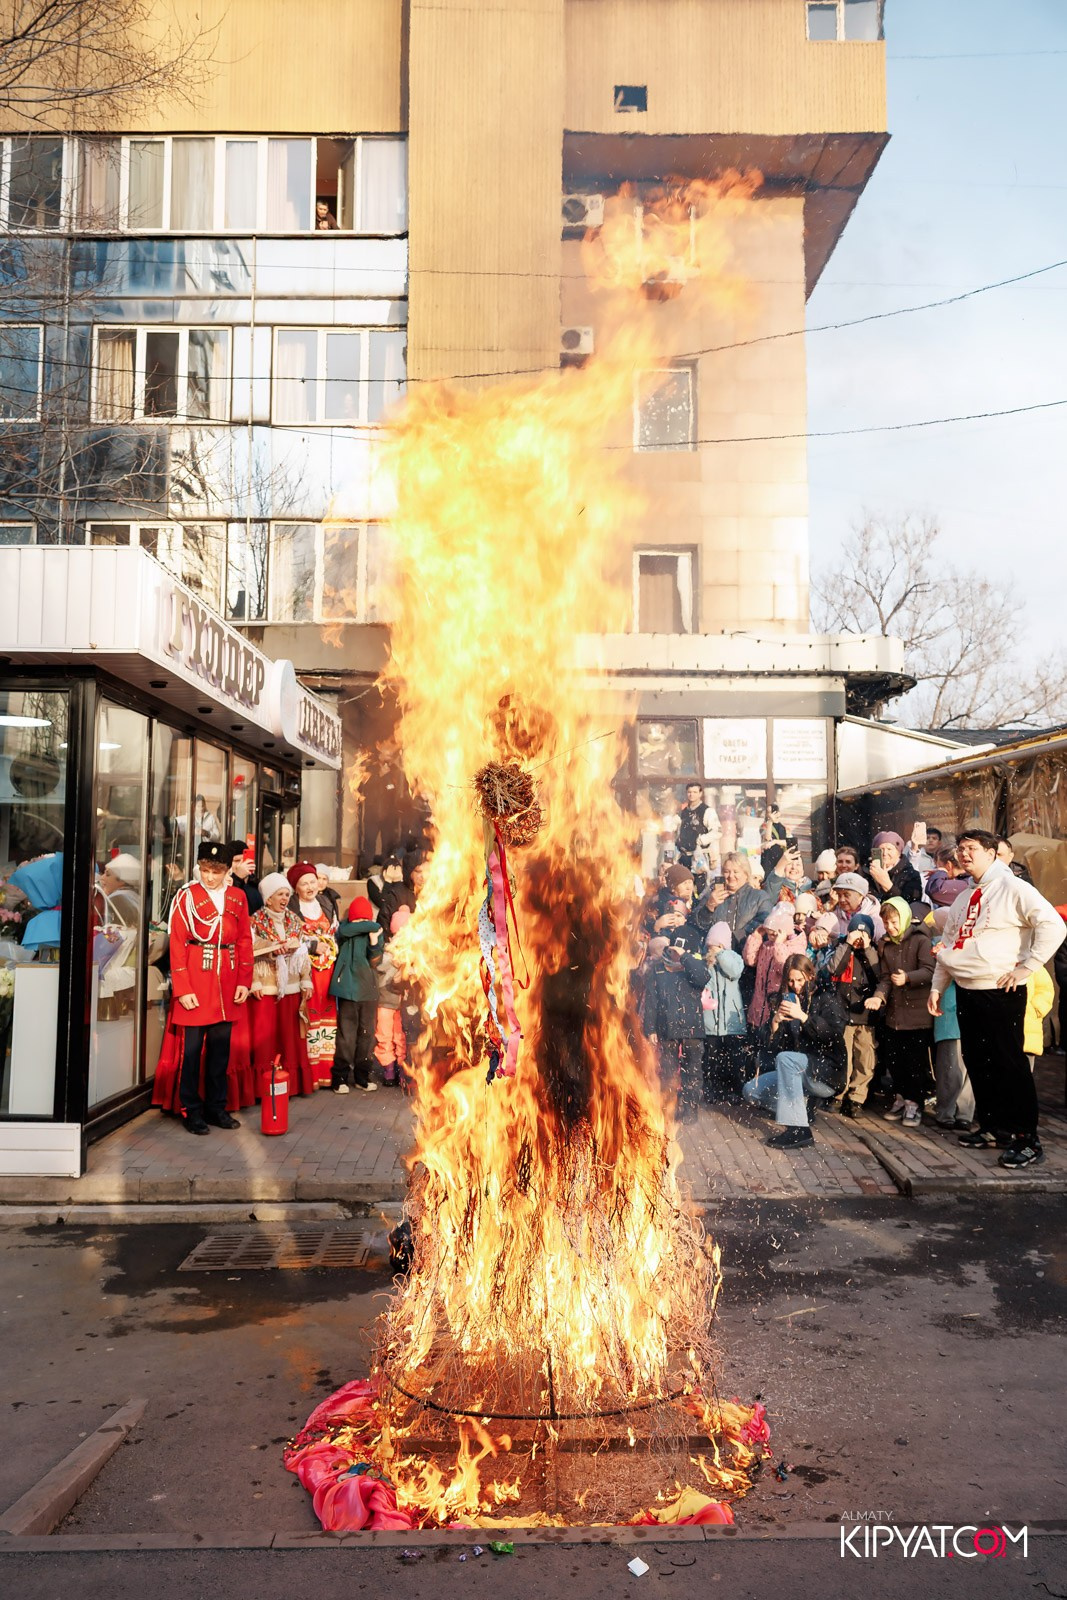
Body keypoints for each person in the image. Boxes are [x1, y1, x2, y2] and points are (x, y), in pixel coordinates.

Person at [929, 829, 1066, 1169]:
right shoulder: (963, 897)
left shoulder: (1014, 887)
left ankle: (1026, 1138)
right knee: (979, 1063)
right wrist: (936, 987)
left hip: (1002, 990)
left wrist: (1028, 967)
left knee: (1010, 1066)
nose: (964, 854)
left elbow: (1053, 925)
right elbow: (947, 947)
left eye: (972, 848)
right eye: (960, 849)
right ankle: (993, 1128)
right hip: (967, 989)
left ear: (991, 853)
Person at [166, 841, 253, 1135]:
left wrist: (244, 980)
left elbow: (244, 941)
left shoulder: (238, 897)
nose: (210, 877)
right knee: (191, 1053)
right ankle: (191, 1110)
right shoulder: (186, 897)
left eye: (216, 871)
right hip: (196, 976)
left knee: (220, 1051)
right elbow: (177, 943)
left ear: (227, 870)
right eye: (205, 870)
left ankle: (217, 1108)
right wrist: (183, 988)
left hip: (227, 978)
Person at [743, 952, 848, 1149]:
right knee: (751, 1091)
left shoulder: (827, 998)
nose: (795, 985)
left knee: (786, 1059)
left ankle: (798, 1130)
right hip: (797, 1073)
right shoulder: (788, 1000)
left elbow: (834, 1036)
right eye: (790, 980)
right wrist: (775, 1023)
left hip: (824, 1074)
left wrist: (803, 1017)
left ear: (810, 975)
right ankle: (801, 1108)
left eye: (799, 979)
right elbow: (771, 1046)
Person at [865, 897, 935, 1129]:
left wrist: (908, 978)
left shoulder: (921, 941)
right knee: (896, 1061)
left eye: (894, 922)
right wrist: (879, 996)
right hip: (895, 1014)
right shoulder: (887, 945)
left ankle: (915, 1103)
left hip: (917, 1014)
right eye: (886, 924)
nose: (891, 928)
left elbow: (930, 971)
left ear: (904, 918)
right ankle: (901, 1098)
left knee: (915, 1062)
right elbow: (886, 978)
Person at [248, 872, 315, 1098]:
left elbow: (304, 953)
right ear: (268, 898)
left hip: (291, 987)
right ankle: (264, 1088)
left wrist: (306, 980)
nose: (285, 898)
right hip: (266, 987)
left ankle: (291, 1086)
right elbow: (249, 952)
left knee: (289, 1037)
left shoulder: (295, 920)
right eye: (280, 894)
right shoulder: (255, 921)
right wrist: (254, 981)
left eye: (287, 894)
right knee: (265, 1039)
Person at [288, 860, 339, 1088]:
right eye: (304, 883)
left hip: (327, 971)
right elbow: (289, 938)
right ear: (295, 887)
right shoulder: (290, 907)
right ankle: (308, 1076)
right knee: (307, 1018)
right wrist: (312, 945)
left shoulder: (326, 903)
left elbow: (335, 931)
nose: (310, 887)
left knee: (327, 1017)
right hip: (304, 972)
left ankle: (325, 1073)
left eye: (312, 881)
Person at [646, 935, 708, 1122]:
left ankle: (690, 1110)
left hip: (692, 1031)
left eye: (679, 952)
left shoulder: (693, 968)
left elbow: (703, 977)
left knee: (693, 1072)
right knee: (668, 1071)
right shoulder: (658, 970)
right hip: (668, 1029)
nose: (675, 955)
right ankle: (669, 1108)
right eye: (673, 951)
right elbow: (651, 1001)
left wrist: (685, 958)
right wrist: (650, 1029)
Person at [826, 912, 881, 1118]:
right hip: (843, 1014)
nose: (858, 939)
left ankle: (857, 1096)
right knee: (844, 1057)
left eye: (863, 935)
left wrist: (867, 948)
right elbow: (834, 969)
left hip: (865, 1017)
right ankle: (839, 1093)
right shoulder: (842, 949)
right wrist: (847, 945)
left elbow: (878, 974)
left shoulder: (873, 953)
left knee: (864, 1059)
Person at [329, 894, 383, 1093]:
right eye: (358, 919)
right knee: (346, 1036)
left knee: (367, 1036)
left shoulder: (374, 932)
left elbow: (375, 960)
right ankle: (340, 1078)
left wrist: (375, 941)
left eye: (364, 919)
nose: (361, 923)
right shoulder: (345, 929)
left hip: (368, 991)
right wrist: (373, 926)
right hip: (348, 990)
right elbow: (346, 929)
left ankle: (362, 1077)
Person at [700, 922, 748, 1103]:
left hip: (731, 1023)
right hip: (711, 1021)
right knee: (711, 1059)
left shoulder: (733, 958)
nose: (711, 949)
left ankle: (734, 1091)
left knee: (733, 1060)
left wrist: (721, 953)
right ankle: (712, 1090)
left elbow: (734, 971)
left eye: (715, 945)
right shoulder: (706, 962)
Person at [743, 904, 808, 1032]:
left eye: (773, 934)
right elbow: (750, 960)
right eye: (768, 934)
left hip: (777, 1006)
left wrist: (779, 944)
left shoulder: (796, 947)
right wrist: (757, 936)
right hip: (758, 1005)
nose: (770, 937)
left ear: (783, 931)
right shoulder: (767, 946)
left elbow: (786, 969)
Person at [693, 852, 770, 950]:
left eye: (736, 872)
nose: (731, 876)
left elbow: (764, 922)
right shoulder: (712, 894)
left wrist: (735, 937)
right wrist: (709, 907)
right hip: (714, 955)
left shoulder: (759, 897)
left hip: (746, 954)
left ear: (746, 874)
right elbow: (695, 924)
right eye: (726, 871)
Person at [375, 906, 410, 1085]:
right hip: (386, 1001)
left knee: (401, 1036)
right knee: (384, 1035)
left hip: (402, 1003)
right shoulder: (387, 952)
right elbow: (379, 969)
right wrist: (394, 963)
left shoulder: (412, 952)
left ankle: (401, 1066)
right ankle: (388, 1067)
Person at [867, 832, 923, 910]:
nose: (885, 853)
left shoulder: (910, 875)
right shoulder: (866, 871)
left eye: (889, 849)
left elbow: (911, 904)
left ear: (899, 853)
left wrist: (887, 885)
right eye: (881, 849)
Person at [830, 872, 885, 942]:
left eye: (846, 895)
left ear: (860, 896)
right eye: (839, 895)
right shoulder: (834, 916)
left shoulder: (876, 919)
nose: (841, 899)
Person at [1023, 962, 1054, 1070]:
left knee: (1024, 1067)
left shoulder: (1035, 966)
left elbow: (1046, 990)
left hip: (1029, 1022)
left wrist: (1035, 1009)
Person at [376, 855, 415, 938]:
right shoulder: (373, 882)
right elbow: (380, 902)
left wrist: (396, 881)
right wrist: (388, 881)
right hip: (398, 935)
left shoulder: (406, 890)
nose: (394, 871)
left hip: (403, 934)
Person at [226, 841, 263, 915]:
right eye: (236, 861)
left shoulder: (255, 884)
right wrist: (238, 877)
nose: (241, 864)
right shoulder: (224, 883)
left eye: (244, 860)